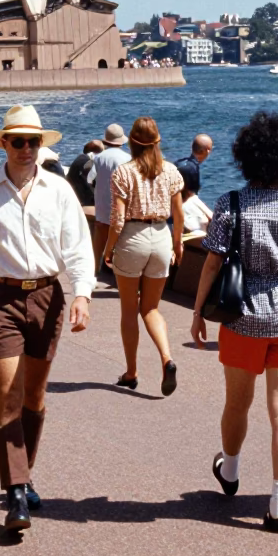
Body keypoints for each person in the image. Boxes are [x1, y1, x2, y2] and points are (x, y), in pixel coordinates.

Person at [0, 104, 95, 532]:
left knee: (35, 397)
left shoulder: (58, 189)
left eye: (34, 141)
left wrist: (82, 294)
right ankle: (15, 491)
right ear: (4, 144)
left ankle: (23, 473)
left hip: (47, 297)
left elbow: (78, 246)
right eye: (18, 141)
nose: (27, 148)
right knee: (8, 394)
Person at [191, 111, 278, 533]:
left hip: (241, 318)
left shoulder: (230, 204)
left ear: (246, 158)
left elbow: (212, 264)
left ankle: (230, 472)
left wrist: (198, 311)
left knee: (237, 402)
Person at [103, 117, 184, 394]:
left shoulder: (123, 173)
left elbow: (117, 219)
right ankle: (167, 358)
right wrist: (177, 244)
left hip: (133, 238)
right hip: (161, 236)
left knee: (129, 309)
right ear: (157, 141)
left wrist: (108, 248)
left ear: (131, 142)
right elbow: (179, 214)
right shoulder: (172, 171)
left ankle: (131, 371)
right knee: (151, 308)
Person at [91, 124, 130, 278]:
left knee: (99, 239)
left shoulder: (98, 158)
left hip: (101, 205)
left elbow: (90, 178)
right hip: (119, 206)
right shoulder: (128, 159)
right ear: (121, 141)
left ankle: (94, 269)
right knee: (120, 241)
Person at [65, 139, 104, 207]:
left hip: (74, 196)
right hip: (83, 202)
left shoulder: (81, 159)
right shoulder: (87, 164)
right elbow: (89, 187)